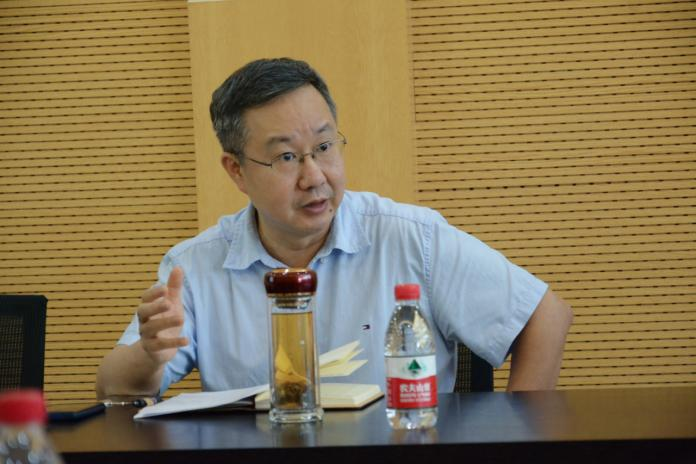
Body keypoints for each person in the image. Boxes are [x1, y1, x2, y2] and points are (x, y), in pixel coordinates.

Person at [96, 58, 572, 399]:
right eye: (286, 157)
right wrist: (149, 355)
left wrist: (519, 439)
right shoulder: (195, 265)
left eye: (324, 147)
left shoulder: (412, 238)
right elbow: (114, 388)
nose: (314, 177)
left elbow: (545, 315)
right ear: (236, 170)